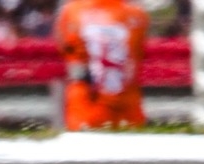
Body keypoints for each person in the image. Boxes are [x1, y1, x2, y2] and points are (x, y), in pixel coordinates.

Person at [54, 0, 148, 131]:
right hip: (126, 105)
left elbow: (64, 48)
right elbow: (137, 53)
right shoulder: (136, 13)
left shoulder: (72, 11)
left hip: (86, 104)